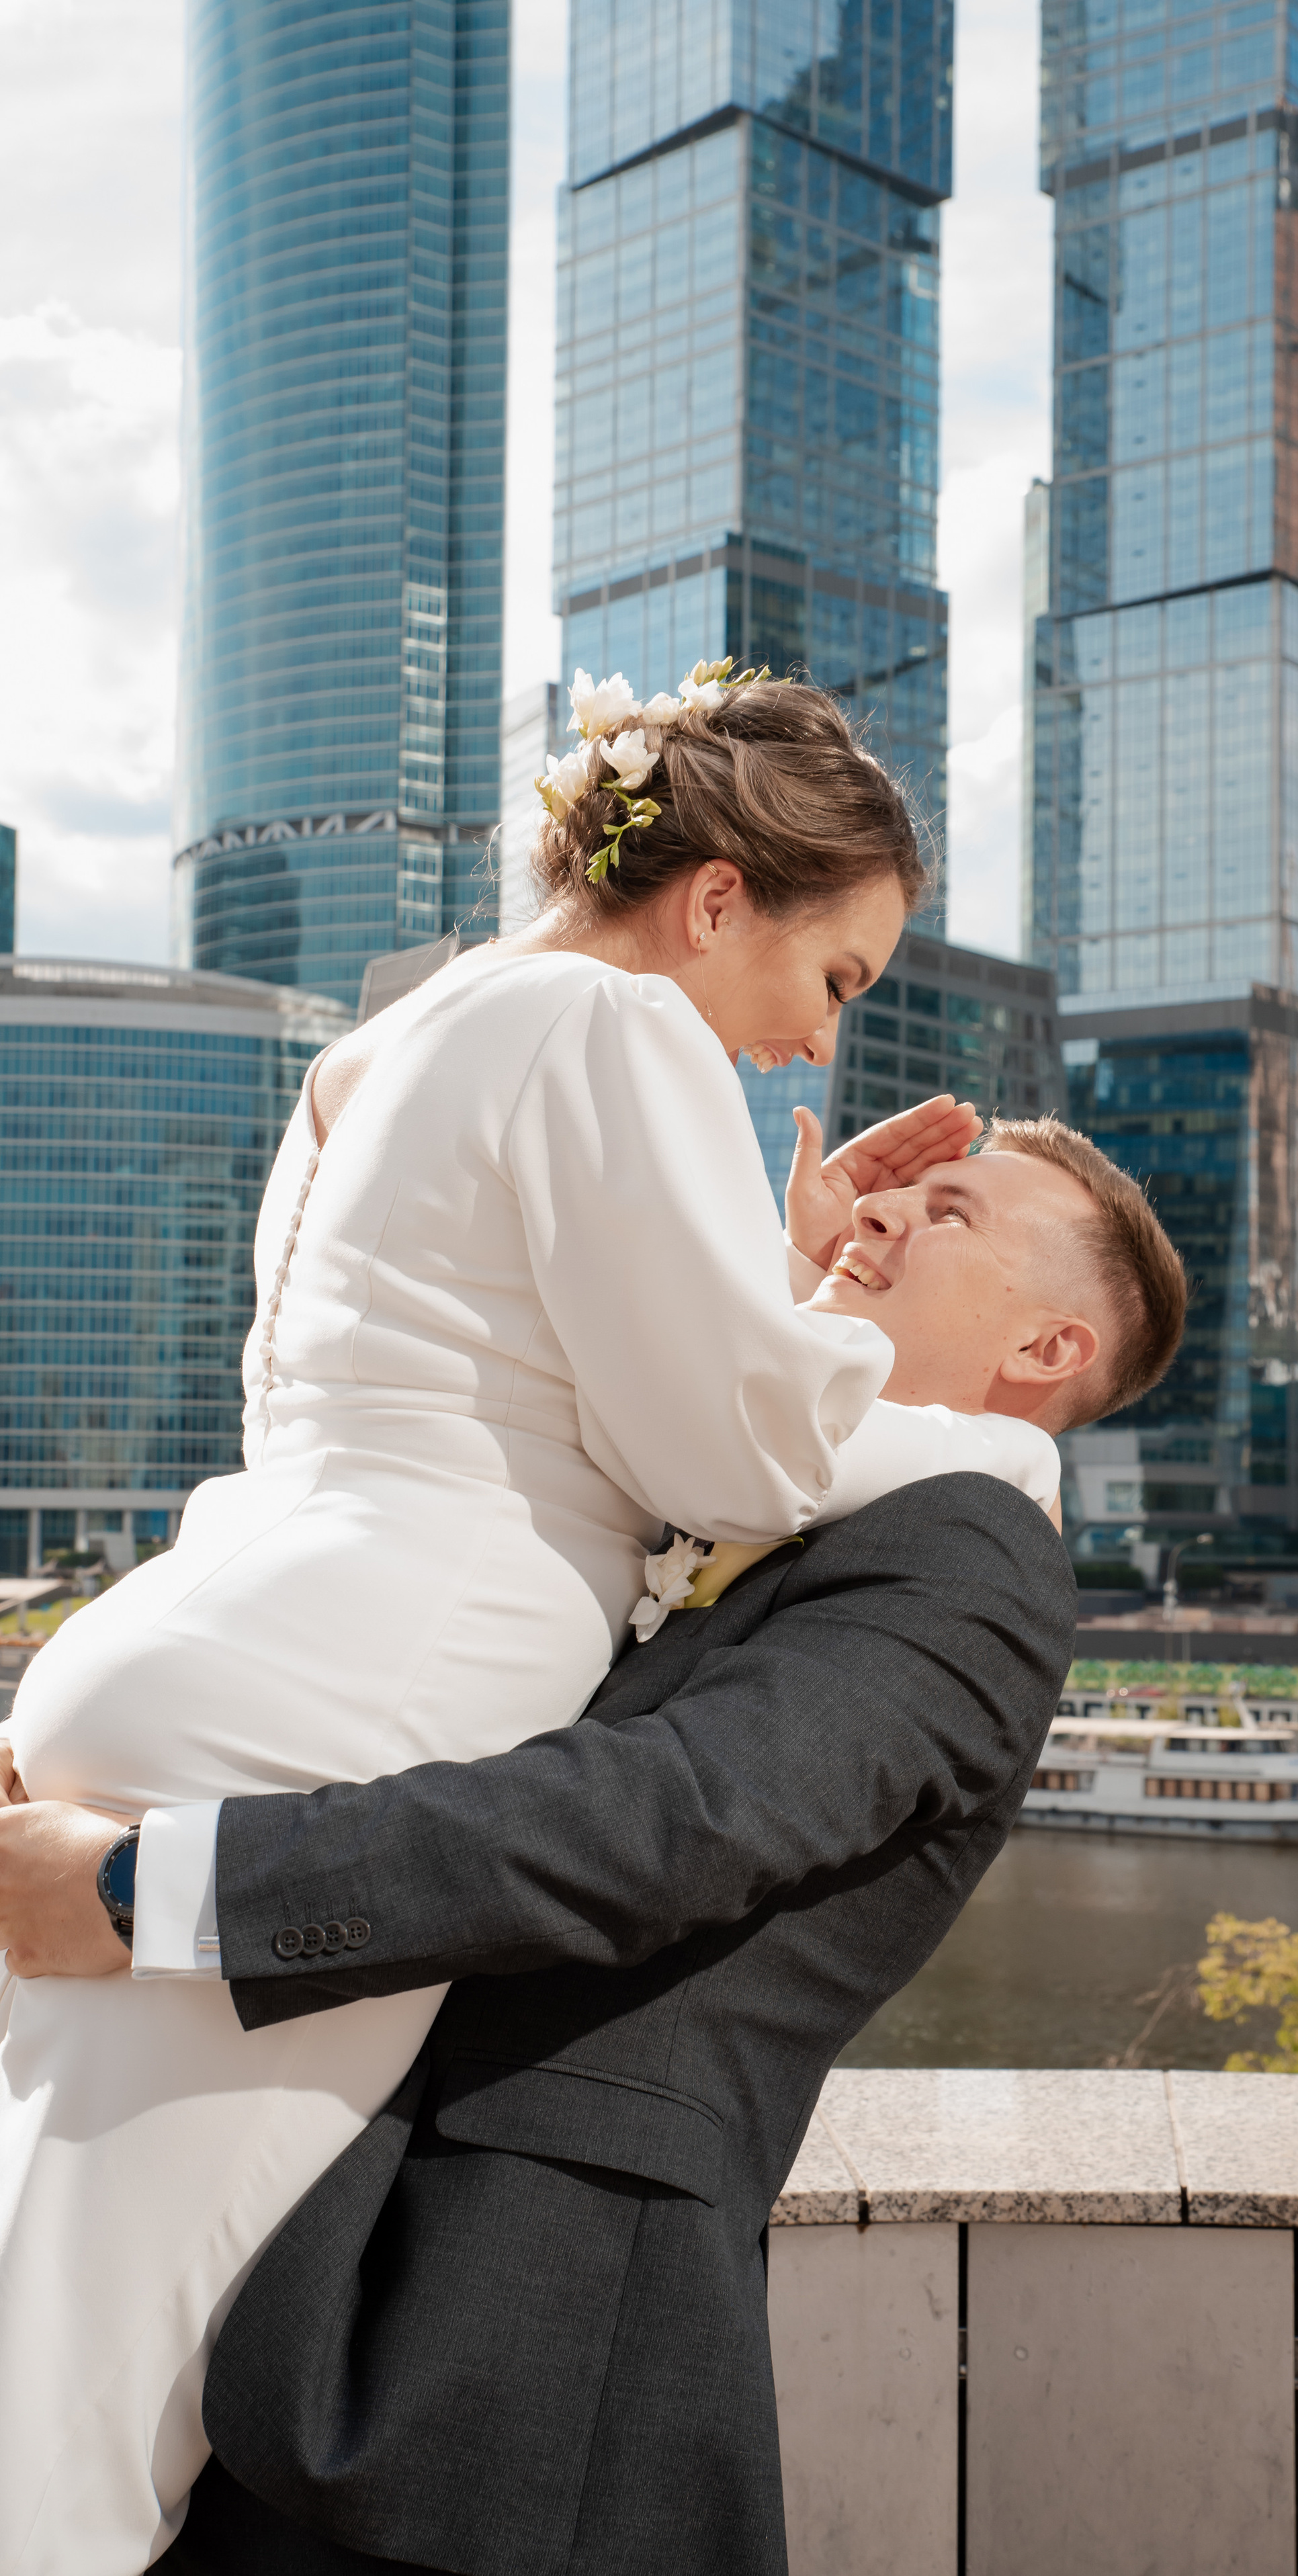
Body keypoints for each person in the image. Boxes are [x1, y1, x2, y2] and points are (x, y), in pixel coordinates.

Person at [0, 669, 1069, 2576]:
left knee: (51, 2297)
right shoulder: (620, 1023)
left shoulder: (381, 1046)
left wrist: (762, 1265)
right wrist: (849, 1337)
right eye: (834, 978)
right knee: (80, 2417)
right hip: (367, 1685)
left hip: (212, 1630)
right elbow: (730, 1452)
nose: (809, 1046)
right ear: (719, 897)